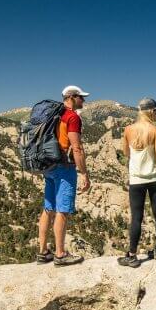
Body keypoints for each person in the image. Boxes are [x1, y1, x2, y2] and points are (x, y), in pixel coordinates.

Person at [37, 85, 91, 266]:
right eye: (81, 97)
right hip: (64, 167)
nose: (84, 100)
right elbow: (76, 147)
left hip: (48, 165)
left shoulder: (53, 114)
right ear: (72, 97)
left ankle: (43, 252)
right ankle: (60, 254)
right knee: (62, 210)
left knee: (48, 208)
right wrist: (84, 173)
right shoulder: (72, 117)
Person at [118, 97, 156, 267]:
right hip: (155, 178)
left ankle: (132, 255)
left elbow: (126, 153)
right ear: (150, 112)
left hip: (136, 180)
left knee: (136, 218)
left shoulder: (128, 130)